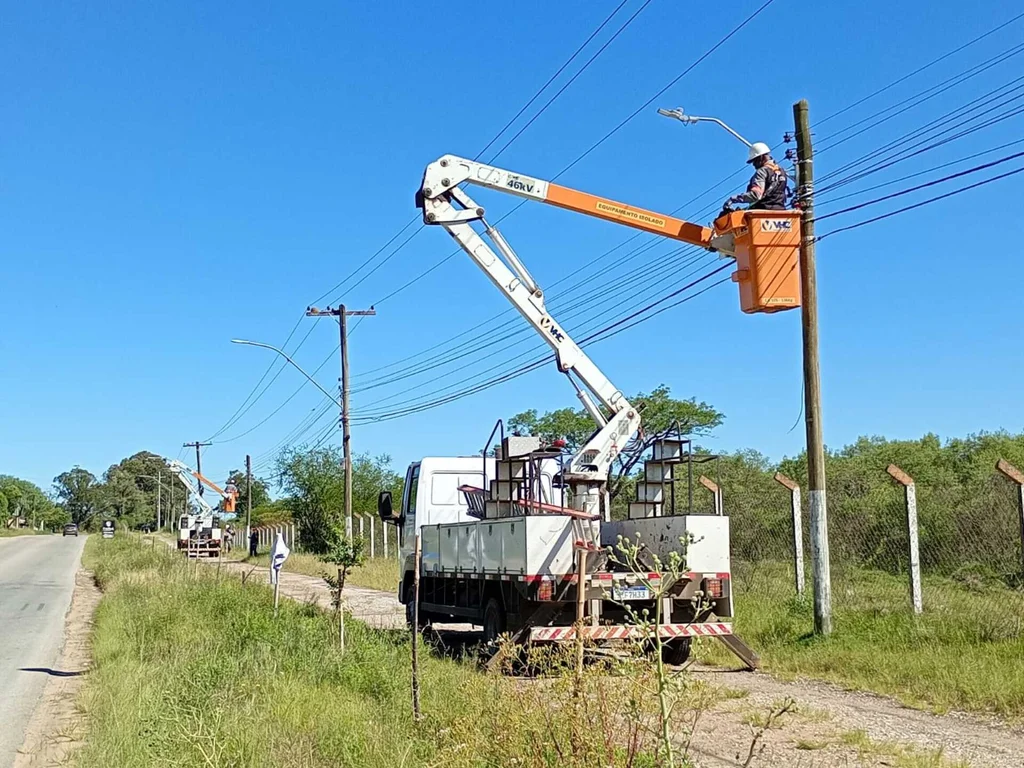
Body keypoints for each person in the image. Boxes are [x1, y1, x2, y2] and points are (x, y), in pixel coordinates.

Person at [723, 142, 789, 212]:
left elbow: (756, 195)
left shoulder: (762, 171)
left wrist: (733, 199)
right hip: (780, 212)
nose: (753, 164)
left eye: (754, 160)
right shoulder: (782, 171)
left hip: (761, 213)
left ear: (761, 157)